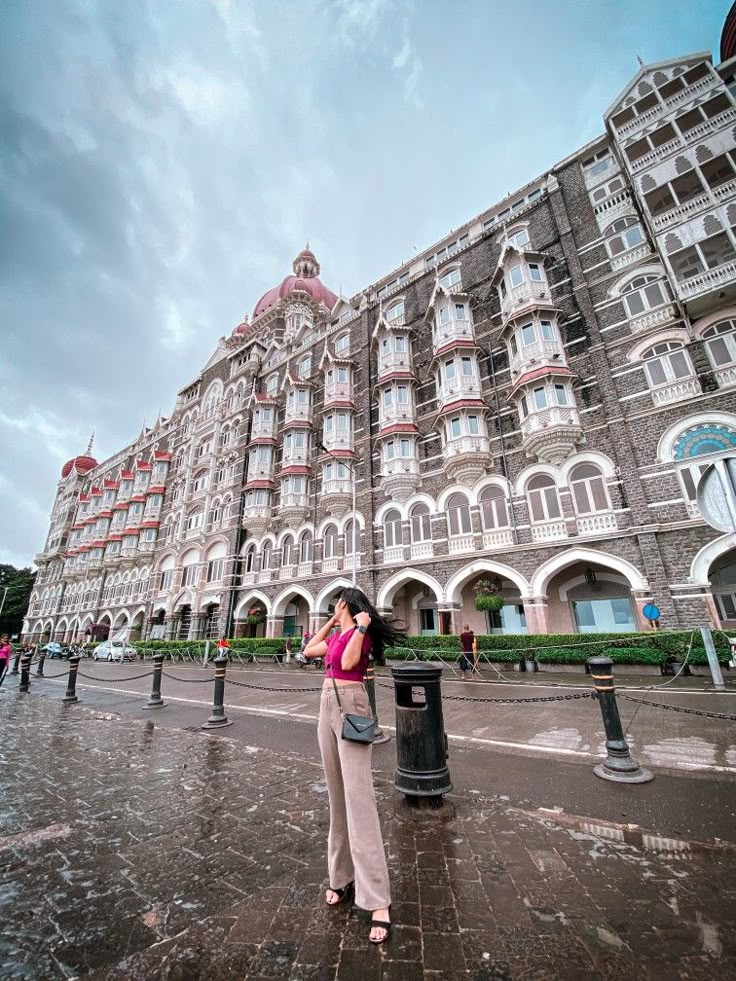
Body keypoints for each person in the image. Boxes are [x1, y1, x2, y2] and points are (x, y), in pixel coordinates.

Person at [304, 587, 405, 945]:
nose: (334, 605)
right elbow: (307, 650)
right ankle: (341, 876)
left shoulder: (359, 635)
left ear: (347, 603)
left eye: (336, 602)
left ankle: (377, 900)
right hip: (325, 706)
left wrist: (361, 627)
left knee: (359, 800)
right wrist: (332, 621)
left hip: (351, 705)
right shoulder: (337, 633)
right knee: (336, 797)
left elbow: (348, 664)